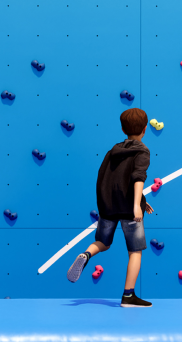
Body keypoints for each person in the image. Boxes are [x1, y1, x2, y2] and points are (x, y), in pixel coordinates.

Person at [66, 107, 155, 308]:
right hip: (129, 209)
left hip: (108, 206)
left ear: (123, 129)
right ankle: (128, 296)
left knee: (103, 242)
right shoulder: (142, 151)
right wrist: (136, 205)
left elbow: (107, 178)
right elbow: (138, 177)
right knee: (135, 251)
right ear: (145, 128)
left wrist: (140, 199)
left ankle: (86, 254)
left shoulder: (113, 151)